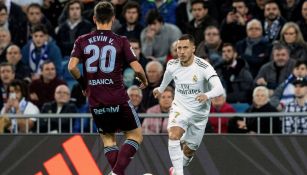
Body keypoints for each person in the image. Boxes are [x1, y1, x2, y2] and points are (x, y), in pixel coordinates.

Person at [67, 2, 148, 175]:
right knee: (135, 135)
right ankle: (116, 173)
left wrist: (84, 85)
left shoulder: (82, 40)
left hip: (96, 100)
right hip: (118, 97)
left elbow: (71, 67)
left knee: (109, 139)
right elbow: (138, 68)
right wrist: (144, 80)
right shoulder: (121, 40)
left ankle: (116, 173)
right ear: (113, 19)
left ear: (94, 18)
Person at [153, 34, 223, 175]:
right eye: (179, 48)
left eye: (185, 47)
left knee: (188, 151)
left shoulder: (203, 66)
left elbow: (219, 89)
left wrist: (207, 95)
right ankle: (179, 173)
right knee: (173, 135)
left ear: (193, 48)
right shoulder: (172, 65)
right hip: (180, 108)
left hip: (199, 115)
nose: (182, 51)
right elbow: (167, 75)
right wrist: (160, 89)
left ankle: (175, 171)